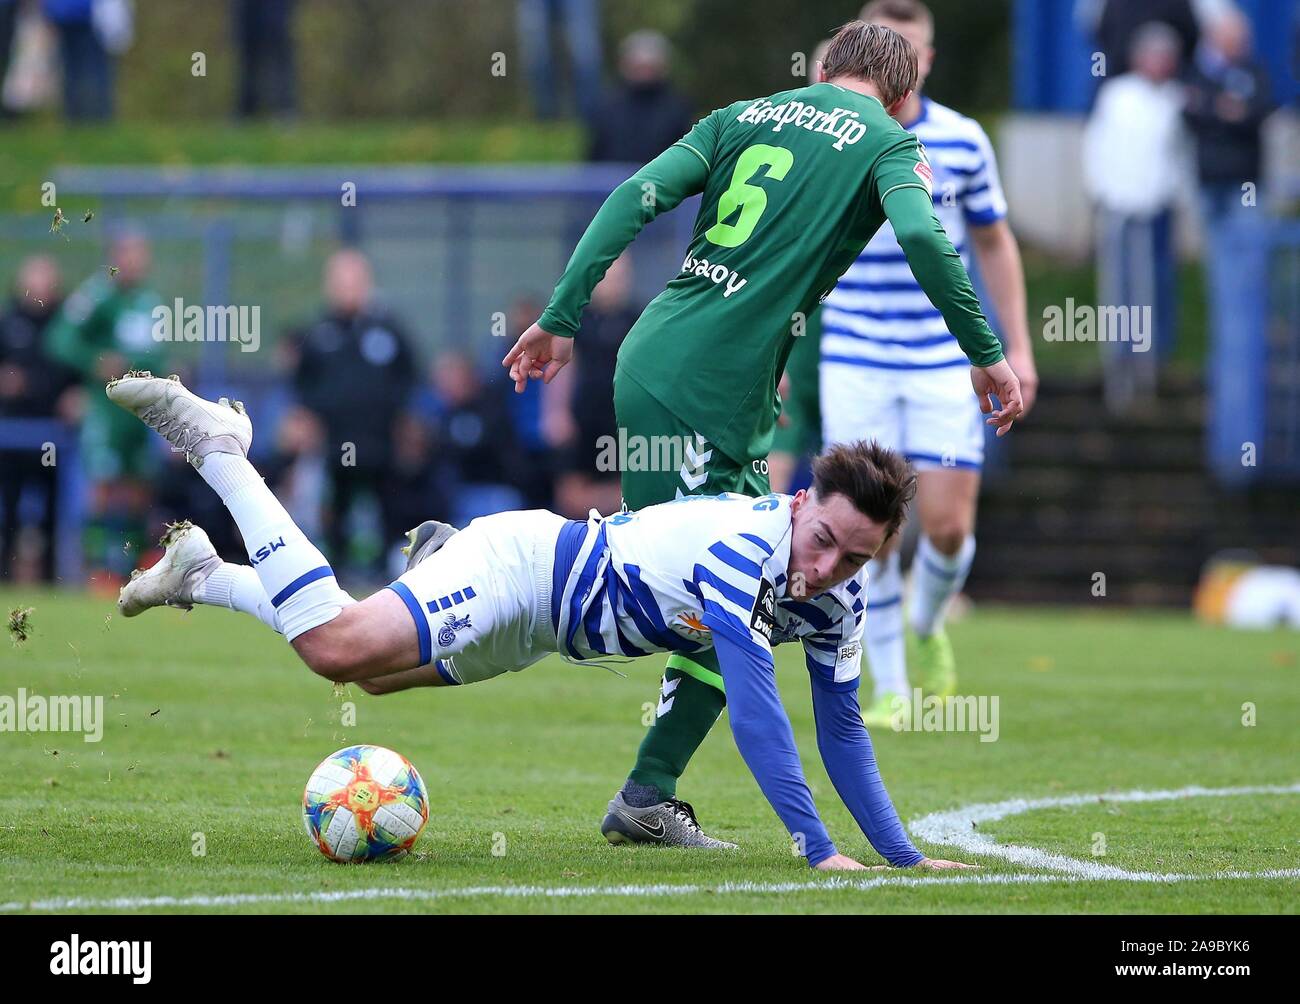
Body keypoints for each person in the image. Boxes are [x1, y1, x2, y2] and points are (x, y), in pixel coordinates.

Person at [107, 370, 975, 872]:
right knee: (335, 648)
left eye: (856, 559)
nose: (827, 569)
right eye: (824, 539)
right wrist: (818, 849)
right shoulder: (747, 550)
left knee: (365, 667)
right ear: (798, 502)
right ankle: (221, 449)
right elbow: (757, 712)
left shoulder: (836, 598)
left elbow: (843, 727)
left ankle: (207, 575)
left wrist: (901, 858)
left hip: (543, 634)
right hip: (524, 568)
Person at [502, 19, 1023, 847]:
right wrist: (988, 355)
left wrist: (561, 316)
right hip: (702, 386)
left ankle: (646, 788)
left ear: (824, 69)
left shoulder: (743, 113)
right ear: (900, 94)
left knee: (738, 592)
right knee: (711, 595)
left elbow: (631, 197)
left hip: (673, 359)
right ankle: (477, 578)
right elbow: (925, 234)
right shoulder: (890, 139)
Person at [819, 0, 1038, 727]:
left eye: (906, 54)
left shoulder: (964, 141)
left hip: (944, 354)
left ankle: (927, 621)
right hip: (855, 351)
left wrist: (1016, 346)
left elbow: (997, 243)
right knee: (868, 524)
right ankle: (888, 685)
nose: (894, 70)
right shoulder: (836, 133)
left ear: (928, 60)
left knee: (945, 525)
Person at [1082, 21, 1189, 413]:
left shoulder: (1177, 99)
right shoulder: (1116, 95)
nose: (1160, 64)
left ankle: (1149, 373)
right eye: (1154, 56)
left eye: (1166, 57)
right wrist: (1100, 192)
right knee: (1116, 292)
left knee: (1151, 291)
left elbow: (1179, 157)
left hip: (1154, 210)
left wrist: (1170, 195)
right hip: (1117, 208)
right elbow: (1096, 146)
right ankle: (1117, 373)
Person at [46, 231, 163, 583]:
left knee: (140, 486)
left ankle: (135, 566)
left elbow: (154, 352)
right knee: (102, 485)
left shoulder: (148, 301)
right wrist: (95, 361)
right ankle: (98, 569)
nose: (135, 262)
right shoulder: (95, 295)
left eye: (141, 255)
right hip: (106, 407)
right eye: (128, 254)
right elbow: (60, 339)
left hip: (141, 411)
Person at [292, 249, 416, 578]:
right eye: (340, 281)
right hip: (336, 443)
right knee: (337, 507)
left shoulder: (388, 329)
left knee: (388, 506)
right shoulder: (318, 333)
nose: (348, 288)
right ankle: (338, 573)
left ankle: (390, 574)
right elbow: (302, 383)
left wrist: (403, 421)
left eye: (354, 281)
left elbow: (409, 376)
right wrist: (307, 420)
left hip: (380, 441)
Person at [0, 255, 74, 580]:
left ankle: (52, 578)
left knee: (53, 508)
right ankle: (6, 572)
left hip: (53, 434)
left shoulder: (66, 324)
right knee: (9, 506)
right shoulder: (8, 321)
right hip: (12, 432)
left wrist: (77, 394)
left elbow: (74, 371)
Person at [587, 30, 695, 164]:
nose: (644, 73)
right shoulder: (606, 107)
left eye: (649, 67)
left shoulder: (677, 108)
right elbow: (594, 158)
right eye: (639, 66)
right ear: (624, 65)